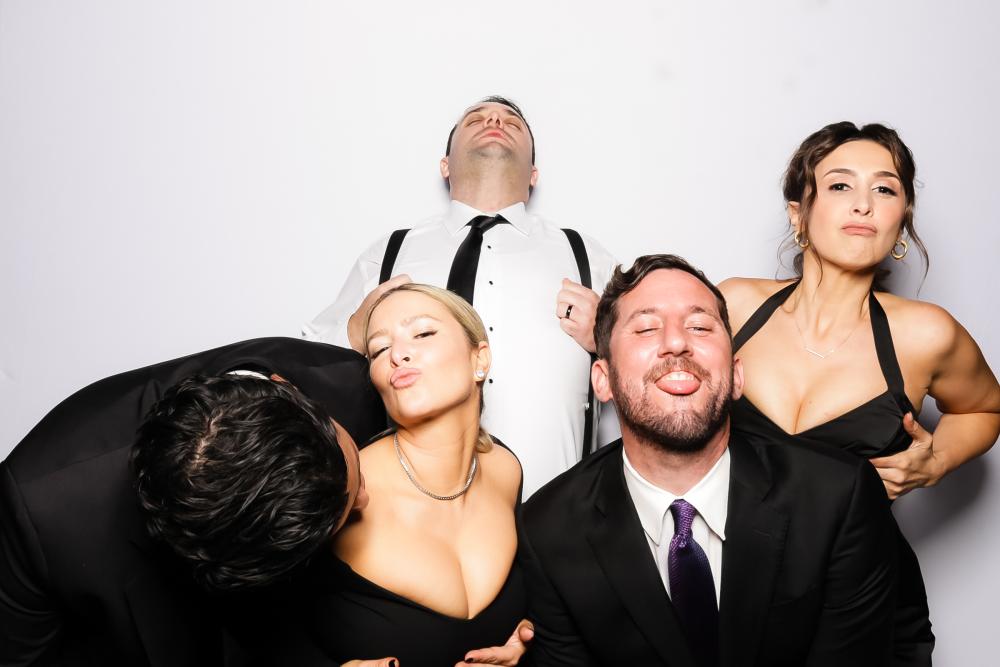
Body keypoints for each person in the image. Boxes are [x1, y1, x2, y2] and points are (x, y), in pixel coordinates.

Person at [520, 255, 899, 666]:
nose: (676, 342)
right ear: (603, 380)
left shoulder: (837, 497)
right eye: (646, 328)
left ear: (736, 375)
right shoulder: (549, 530)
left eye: (699, 327)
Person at [720, 122, 1000, 664]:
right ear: (798, 213)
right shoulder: (733, 307)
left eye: (885, 189)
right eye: (841, 185)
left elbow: (986, 407)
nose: (864, 204)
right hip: (732, 592)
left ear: (902, 220)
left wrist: (938, 461)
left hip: (864, 602)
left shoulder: (926, 334)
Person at [0, 337, 385, 666]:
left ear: (288, 387)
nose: (365, 500)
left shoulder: (356, 385)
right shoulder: (37, 509)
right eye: (346, 504)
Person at [303, 96, 617, 496]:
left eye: (512, 122)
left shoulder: (586, 256)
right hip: (409, 514)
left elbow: (649, 370)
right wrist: (356, 329)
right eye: (476, 119)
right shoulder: (390, 254)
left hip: (560, 517)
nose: (494, 120)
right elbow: (305, 368)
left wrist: (606, 339)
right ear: (445, 165)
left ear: (534, 174)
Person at [283, 284, 527, 667]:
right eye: (379, 349)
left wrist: (526, 640)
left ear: (479, 358)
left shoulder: (506, 469)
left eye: (423, 333)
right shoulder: (341, 486)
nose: (398, 354)